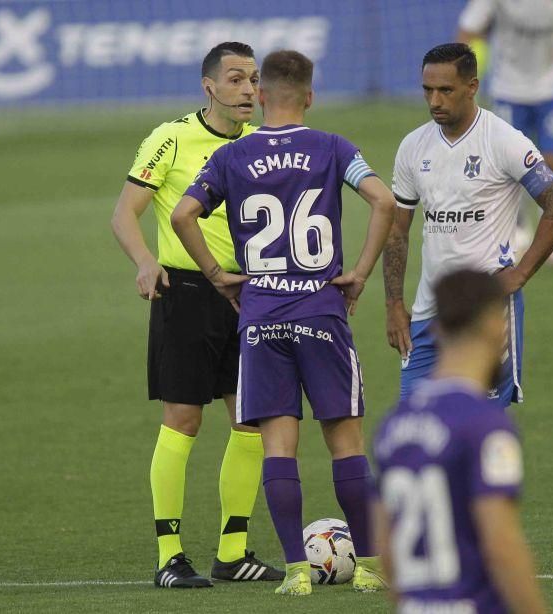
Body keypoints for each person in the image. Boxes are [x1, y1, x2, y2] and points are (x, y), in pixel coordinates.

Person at [171, 49, 396, 596]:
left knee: (278, 449)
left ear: (262, 96)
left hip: (262, 318)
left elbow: (182, 215)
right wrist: (360, 273)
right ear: (311, 97)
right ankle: (368, 566)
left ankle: (296, 571)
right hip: (321, 312)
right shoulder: (334, 147)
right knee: (346, 445)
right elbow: (383, 201)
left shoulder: (233, 154)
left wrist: (217, 274)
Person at [110, 41, 283, 588]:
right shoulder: (171, 137)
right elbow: (124, 212)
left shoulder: (261, 144)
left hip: (249, 296)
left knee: (249, 423)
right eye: (235, 80)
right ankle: (169, 557)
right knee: (183, 422)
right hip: (184, 294)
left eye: (253, 80)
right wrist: (144, 261)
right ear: (209, 86)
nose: (248, 91)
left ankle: (233, 552)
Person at [384, 43, 553, 402]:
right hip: (428, 312)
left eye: (446, 90)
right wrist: (394, 304)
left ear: (471, 87)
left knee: (477, 430)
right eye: (428, 90)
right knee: (415, 421)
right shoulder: (413, 147)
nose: (435, 101)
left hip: (486, 313)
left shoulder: (504, 141)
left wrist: (520, 274)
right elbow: (398, 230)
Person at [374, 269, 549, 614]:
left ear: (437, 328)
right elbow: (501, 544)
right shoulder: (486, 425)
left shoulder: (393, 425)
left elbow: (385, 544)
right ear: (493, 325)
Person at [458, 0, 553, 263]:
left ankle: (552, 216)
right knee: (510, 166)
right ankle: (517, 224)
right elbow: (467, 30)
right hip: (509, 89)